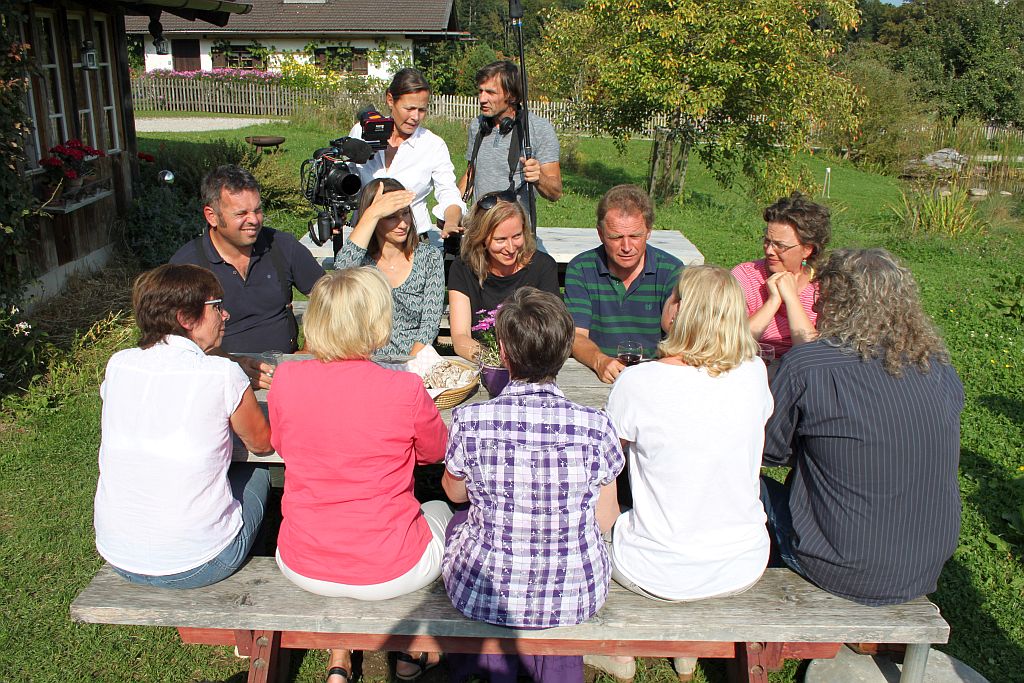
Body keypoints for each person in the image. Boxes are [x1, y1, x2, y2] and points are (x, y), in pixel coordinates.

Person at [267, 267, 452, 683]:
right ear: (377, 324)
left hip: (301, 560)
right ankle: (414, 647)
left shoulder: (286, 378)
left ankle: (342, 656)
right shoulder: (403, 388)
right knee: (443, 508)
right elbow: (436, 453)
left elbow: (281, 443)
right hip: (391, 567)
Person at [595, 265, 773, 681]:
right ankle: (687, 649)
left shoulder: (639, 383)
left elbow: (603, 472)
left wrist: (603, 537)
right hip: (742, 562)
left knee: (605, 506)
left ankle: (617, 649)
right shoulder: (754, 373)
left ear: (681, 312)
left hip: (656, 570)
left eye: (673, 296)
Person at [762, 248, 963, 606]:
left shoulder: (808, 365)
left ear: (834, 301)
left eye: (820, 296)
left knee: (740, 481)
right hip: (924, 568)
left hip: (836, 567)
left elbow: (767, 451)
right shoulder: (940, 368)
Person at [442, 287, 624, 683]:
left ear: (503, 352)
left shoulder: (470, 421)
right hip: (577, 593)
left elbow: (455, 494)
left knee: (455, 523)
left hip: (482, 594)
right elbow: (606, 518)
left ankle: (488, 668)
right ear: (564, 352)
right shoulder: (596, 426)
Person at [94, 264, 273, 589]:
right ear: (185, 319)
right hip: (202, 561)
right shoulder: (221, 374)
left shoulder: (119, 364)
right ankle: (253, 580)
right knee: (259, 473)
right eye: (216, 306)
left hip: (118, 555)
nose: (226, 315)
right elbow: (262, 444)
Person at [170, 165, 325, 386]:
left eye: (258, 210)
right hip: (214, 379)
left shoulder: (281, 246)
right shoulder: (188, 265)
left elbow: (332, 299)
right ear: (212, 216)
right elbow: (173, 340)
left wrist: (308, 350)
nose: (254, 220)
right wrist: (230, 364)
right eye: (241, 213)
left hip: (284, 376)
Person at [564, 184, 683, 383]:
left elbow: (682, 337)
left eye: (635, 236)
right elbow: (576, 336)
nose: (626, 247)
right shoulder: (582, 268)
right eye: (616, 237)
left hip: (657, 376)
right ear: (601, 234)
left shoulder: (671, 270)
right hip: (597, 375)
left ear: (649, 232)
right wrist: (599, 361)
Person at [348, 68, 465, 237]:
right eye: (409, 108)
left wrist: (451, 222)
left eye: (422, 110)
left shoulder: (432, 145)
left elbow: (448, 193)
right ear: (390, 100)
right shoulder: (361, 132)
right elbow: (349, 182)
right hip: (366, 238)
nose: (415, 117)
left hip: (412, 240)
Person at [335, 178, 445, 356]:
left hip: (413, 361)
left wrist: (408, 366)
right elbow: (342, 270)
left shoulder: (429, 258)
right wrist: (372, 213)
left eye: (405, 213)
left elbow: (429, 326)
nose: (402, 224)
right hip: (366, 360)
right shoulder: (362, 262)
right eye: (391, 217)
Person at [447, 192, 559, 362]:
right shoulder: (463, 268)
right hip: (484, 362)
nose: (511, 248)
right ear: (481, 238)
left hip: (534, 362)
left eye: (517, 236)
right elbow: (460, 337)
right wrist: (496, 362)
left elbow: (553, 332)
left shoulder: (543, 267)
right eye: (500, 240)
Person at [456, 60, 562, 227]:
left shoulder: (538, 129)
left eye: (490, 92)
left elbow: (555, 192)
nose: (482, 99)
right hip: (478, 233)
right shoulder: (477, 125)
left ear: (511, 96)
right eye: (480, 91)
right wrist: (453, 206)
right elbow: (471, 172)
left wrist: (539, 178)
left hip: (515, 237)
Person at [729, 191, 831, 358]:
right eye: (767, 241)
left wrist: (791, 299)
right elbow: (732, 346)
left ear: (807, 249)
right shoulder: (745, 277)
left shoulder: (822, 287)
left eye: (780, 246)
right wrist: (773, 301)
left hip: (797, 375)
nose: (769, 251)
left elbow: (811, 357)